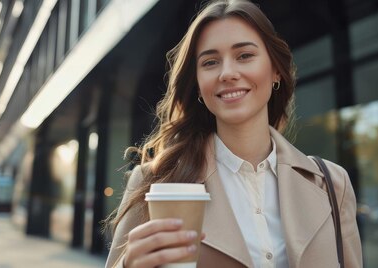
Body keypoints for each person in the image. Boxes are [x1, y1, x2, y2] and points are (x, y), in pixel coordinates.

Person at [105, 0, 362, 267]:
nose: (227, 73)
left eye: (244, 56)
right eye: (210, 62)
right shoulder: (156, 181)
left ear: (275, 71)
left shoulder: (332, 183)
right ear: (198, 85)